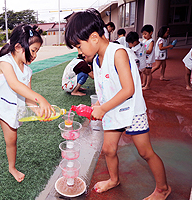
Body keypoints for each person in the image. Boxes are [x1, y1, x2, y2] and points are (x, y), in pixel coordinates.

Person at [65, 8, 171, 200]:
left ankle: (163, 188)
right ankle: (114, 180)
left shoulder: (118, 53)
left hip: (132, 111)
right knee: (108, 149)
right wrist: (100, 107)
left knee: (145, 152)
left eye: (79, 46)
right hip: (113, 111)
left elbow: (128, 89)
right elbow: (106, 88)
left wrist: (103, 108)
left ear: (94, 37)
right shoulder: (97, 59)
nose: (80, 52)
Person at [0, 24, 55, 194]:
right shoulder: (4, 62)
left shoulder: (27, 71)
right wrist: (41, 99)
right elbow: (15, 85)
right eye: (34, 50)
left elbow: (28, 98)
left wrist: (38, 111)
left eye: (37, 51)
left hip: (9, 108)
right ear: (18, 47)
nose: (35, 55)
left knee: (12, 141)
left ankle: (12, 168)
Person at [141, 24, 155, 90]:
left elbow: (149, 51)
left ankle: (148, 85)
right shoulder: (144, 41)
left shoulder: (151, 41)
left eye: (145, 34)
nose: (144, 36)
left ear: (151, 33)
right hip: (144, 59)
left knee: (148, 72)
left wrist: (142, 51)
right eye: (143, 34)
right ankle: (144, 83)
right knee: (144, 71)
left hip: (148, 59)